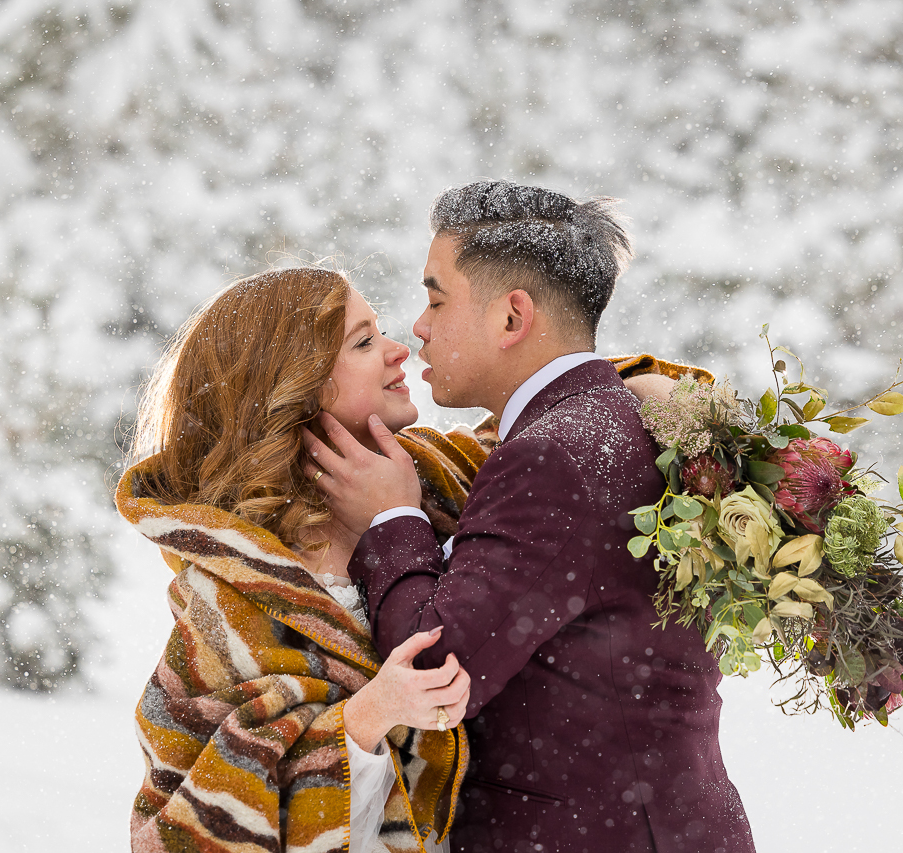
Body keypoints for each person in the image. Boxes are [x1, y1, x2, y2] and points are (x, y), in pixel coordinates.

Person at [304, 181, 757, 852]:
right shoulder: (622, 422)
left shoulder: (555, 456)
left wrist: (392, 517)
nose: (419, 328)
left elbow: (435, 678)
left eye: (436, 298)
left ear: (512, 317)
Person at [116, 268, 478, 853]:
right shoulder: (225, 603)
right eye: (363, 342)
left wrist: (639, 387)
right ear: (294, 387)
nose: (398, 350)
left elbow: (554, 432)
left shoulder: (439, 484)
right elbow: (188, 833)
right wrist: (367, 718)